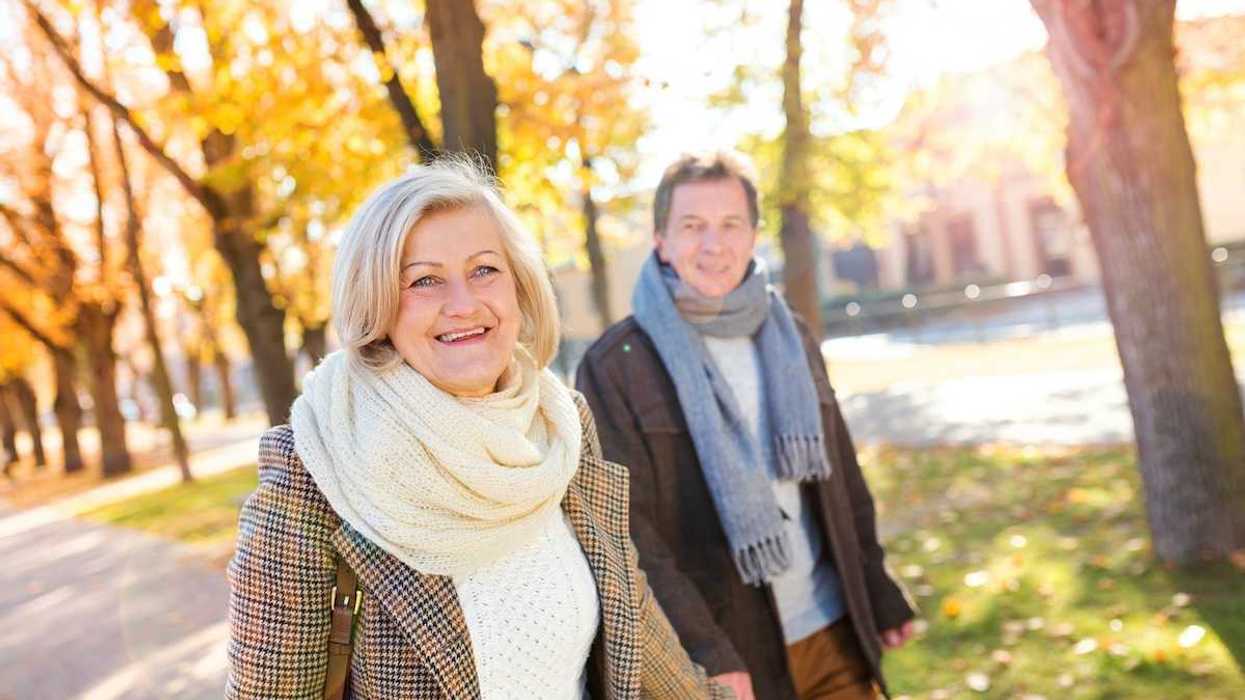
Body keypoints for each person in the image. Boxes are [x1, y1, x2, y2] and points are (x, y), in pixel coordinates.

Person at [225, 159, 729, 699]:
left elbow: (635, 626)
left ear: (519, 286)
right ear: (377, 306)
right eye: (424, 280)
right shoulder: (317, 467)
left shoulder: (558, 427)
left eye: (484, 270)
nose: (463, 305)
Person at [576, 151, 916, 700]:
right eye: (693, 226)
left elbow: (841, 477)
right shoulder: (617, 366)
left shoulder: (792, 335)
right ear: (661, 239)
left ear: (754, 235)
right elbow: (628, 534)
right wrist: (703, 649)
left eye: (731, 224)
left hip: (831, 627)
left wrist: (875, 585)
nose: (714, 245)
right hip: (734, 655)